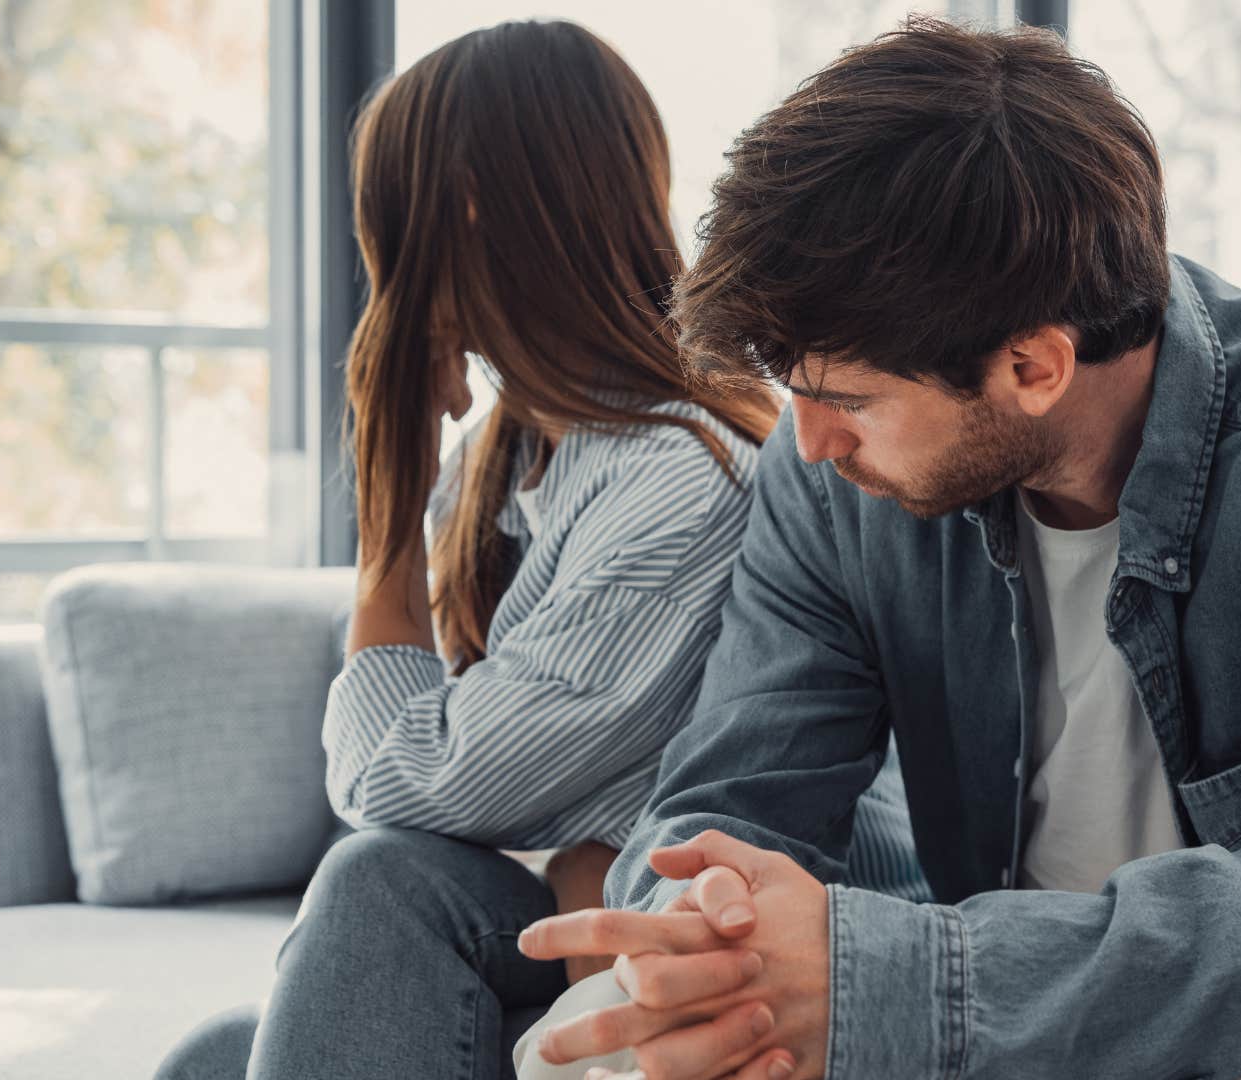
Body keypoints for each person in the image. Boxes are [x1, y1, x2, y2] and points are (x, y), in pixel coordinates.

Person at [511, 17, 1241, 1080]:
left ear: (1034, 364)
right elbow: (732, 795)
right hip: (1020, 1032)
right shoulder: (829, 485)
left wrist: (905, 983)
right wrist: (713, 932)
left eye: (845, 399)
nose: (807, 443)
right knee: (606, 1042)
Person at [154, 20, 925, 1080]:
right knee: (212, 1059)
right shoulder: (501, 456)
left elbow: (413, 781)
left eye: (385, 217)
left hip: (757, 962)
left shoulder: (679, 477)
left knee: (384, 882)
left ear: (464, 212)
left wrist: (386, 517)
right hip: (603, 925)